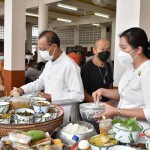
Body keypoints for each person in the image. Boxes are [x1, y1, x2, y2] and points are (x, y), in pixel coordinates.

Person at [10, 30, 84, 123]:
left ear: (54, 46)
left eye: (43, 49)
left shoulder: (70, 65)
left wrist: (52, 97)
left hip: (66, 115)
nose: (41, 52)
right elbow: (40, 82)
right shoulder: (49, 64)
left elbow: (78, 95)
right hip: (51, 112)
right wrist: (22, 89)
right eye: (40, 49)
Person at [92, 27, 150, 132]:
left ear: (138, 50)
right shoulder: (130, 68)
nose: (120, 52)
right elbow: (124, 93)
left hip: (138, 131)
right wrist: (103, 91)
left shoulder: (147, 71)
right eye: (120, 47)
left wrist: (116, 111)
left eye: (124, 48)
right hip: (123, 128)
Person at [81, 38, 113, 103]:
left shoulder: (108, 65)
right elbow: (83, 93)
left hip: (106, 106)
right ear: (94, 50)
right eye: (102, 49)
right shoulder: (86, 67)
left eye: (108, 49)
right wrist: (99, 104)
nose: (105, 52)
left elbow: (110, 86)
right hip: (91, 106)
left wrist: (110, 102)